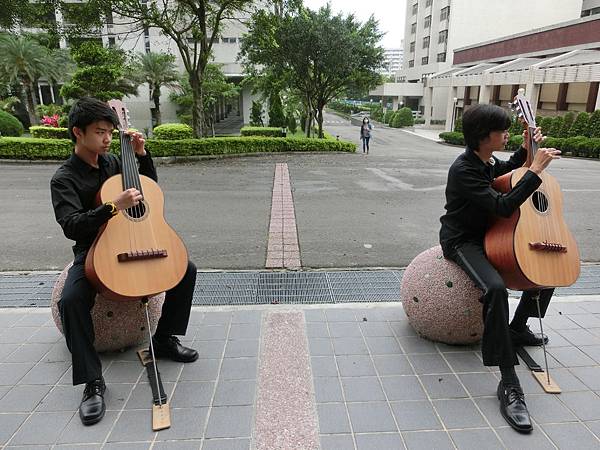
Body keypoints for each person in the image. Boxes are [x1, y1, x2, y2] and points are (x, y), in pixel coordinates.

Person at [50, 97, 199, 426]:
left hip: (133, 240)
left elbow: (148, 189)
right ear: (78, 132)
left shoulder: (114, 161)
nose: (107, 138)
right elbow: (71, 225)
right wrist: (111, 207)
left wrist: (142, 156)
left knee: (185, 268)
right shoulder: (64, 178)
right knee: (71, 300)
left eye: (110, 132)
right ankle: (92, 382)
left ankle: (163, 338)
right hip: (94, 251)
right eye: (100, 132)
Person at [439, 104, 560, 433]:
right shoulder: (463, 169)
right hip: (463, 241)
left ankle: (518, 327)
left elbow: (504, 171)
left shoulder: (485, 161)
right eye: (501, 130)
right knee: (494, 288)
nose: (505, 134)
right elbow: (503, 207)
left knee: (547, 261)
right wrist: (535, 170)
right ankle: (508, 382)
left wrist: (524, 150)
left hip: (491, 236)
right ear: (482, 136)